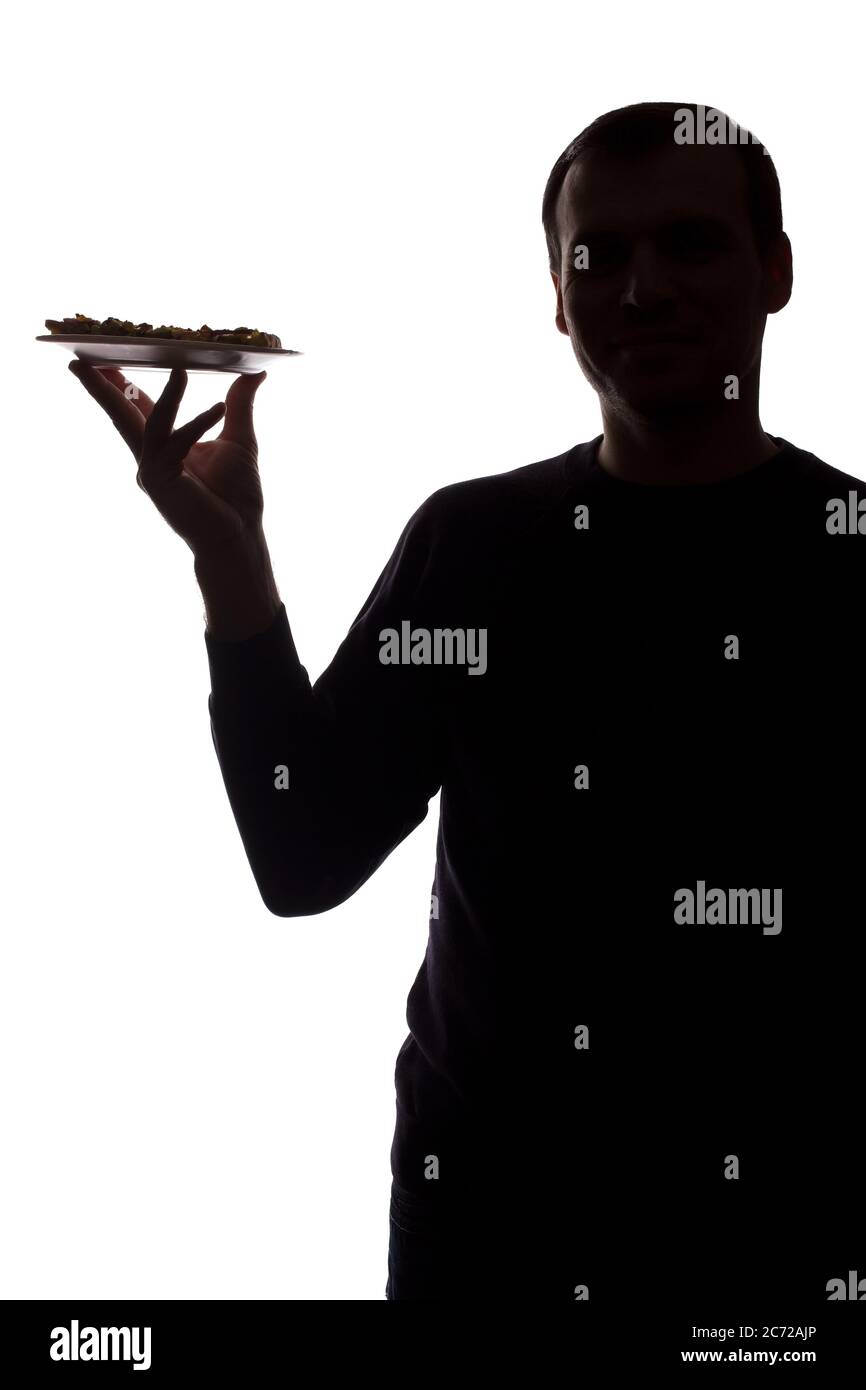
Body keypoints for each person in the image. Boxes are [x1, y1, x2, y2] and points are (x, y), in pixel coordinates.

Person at [69, 102, 864, 1310]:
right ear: (556, 293)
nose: (641, 287)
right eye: (598, 255)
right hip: (493, 1240)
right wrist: (231, 564)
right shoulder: (478, 545)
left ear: (775, 270)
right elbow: (303, 855)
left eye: (690, 244)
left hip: (780, 1251)